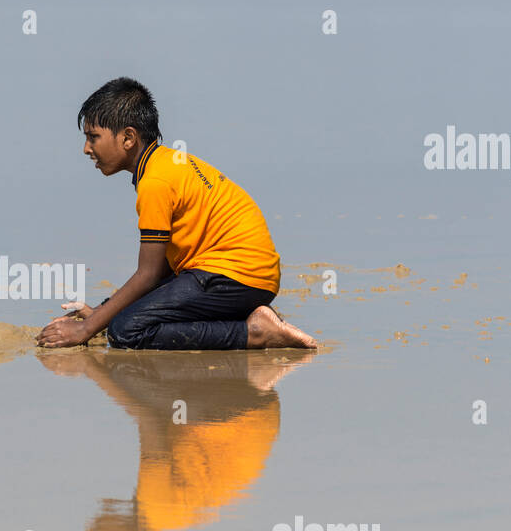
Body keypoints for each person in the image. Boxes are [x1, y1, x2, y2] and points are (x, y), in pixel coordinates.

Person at [37, 77, 316, 350]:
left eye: (93, 137)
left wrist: (86, 329)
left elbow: (148, 274)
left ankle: (253, 332)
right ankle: (252, 317)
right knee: (122, 317)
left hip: (234, 277)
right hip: (246, 277)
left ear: (128, 138)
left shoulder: (155, 182)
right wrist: (100, 312)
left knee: (125, 332)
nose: (87, 149)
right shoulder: (166, 162)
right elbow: (162, 271)